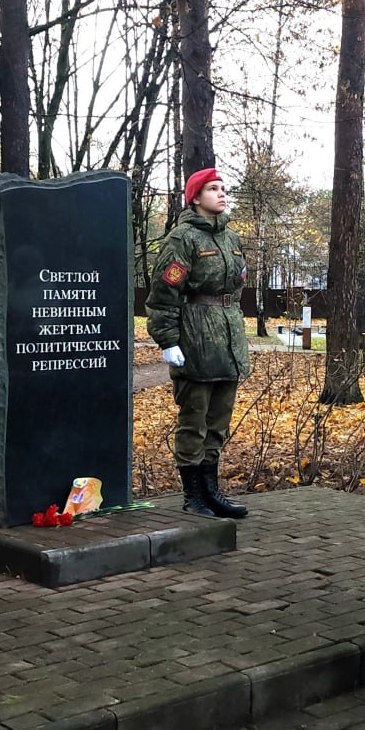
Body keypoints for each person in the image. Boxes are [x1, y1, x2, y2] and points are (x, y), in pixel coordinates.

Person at [146, 167, 251, 519]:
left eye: (223, 188)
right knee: (195, 421)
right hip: (195, 339)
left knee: (219, 422)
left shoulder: (232, 239)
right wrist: (168, 340)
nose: (221, 194)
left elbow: (235, 290)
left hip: (228, 341)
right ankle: (193, 495)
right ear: (195, 197)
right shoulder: (183, 239)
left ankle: (211, 491)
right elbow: (164, 294)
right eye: (212, 189)